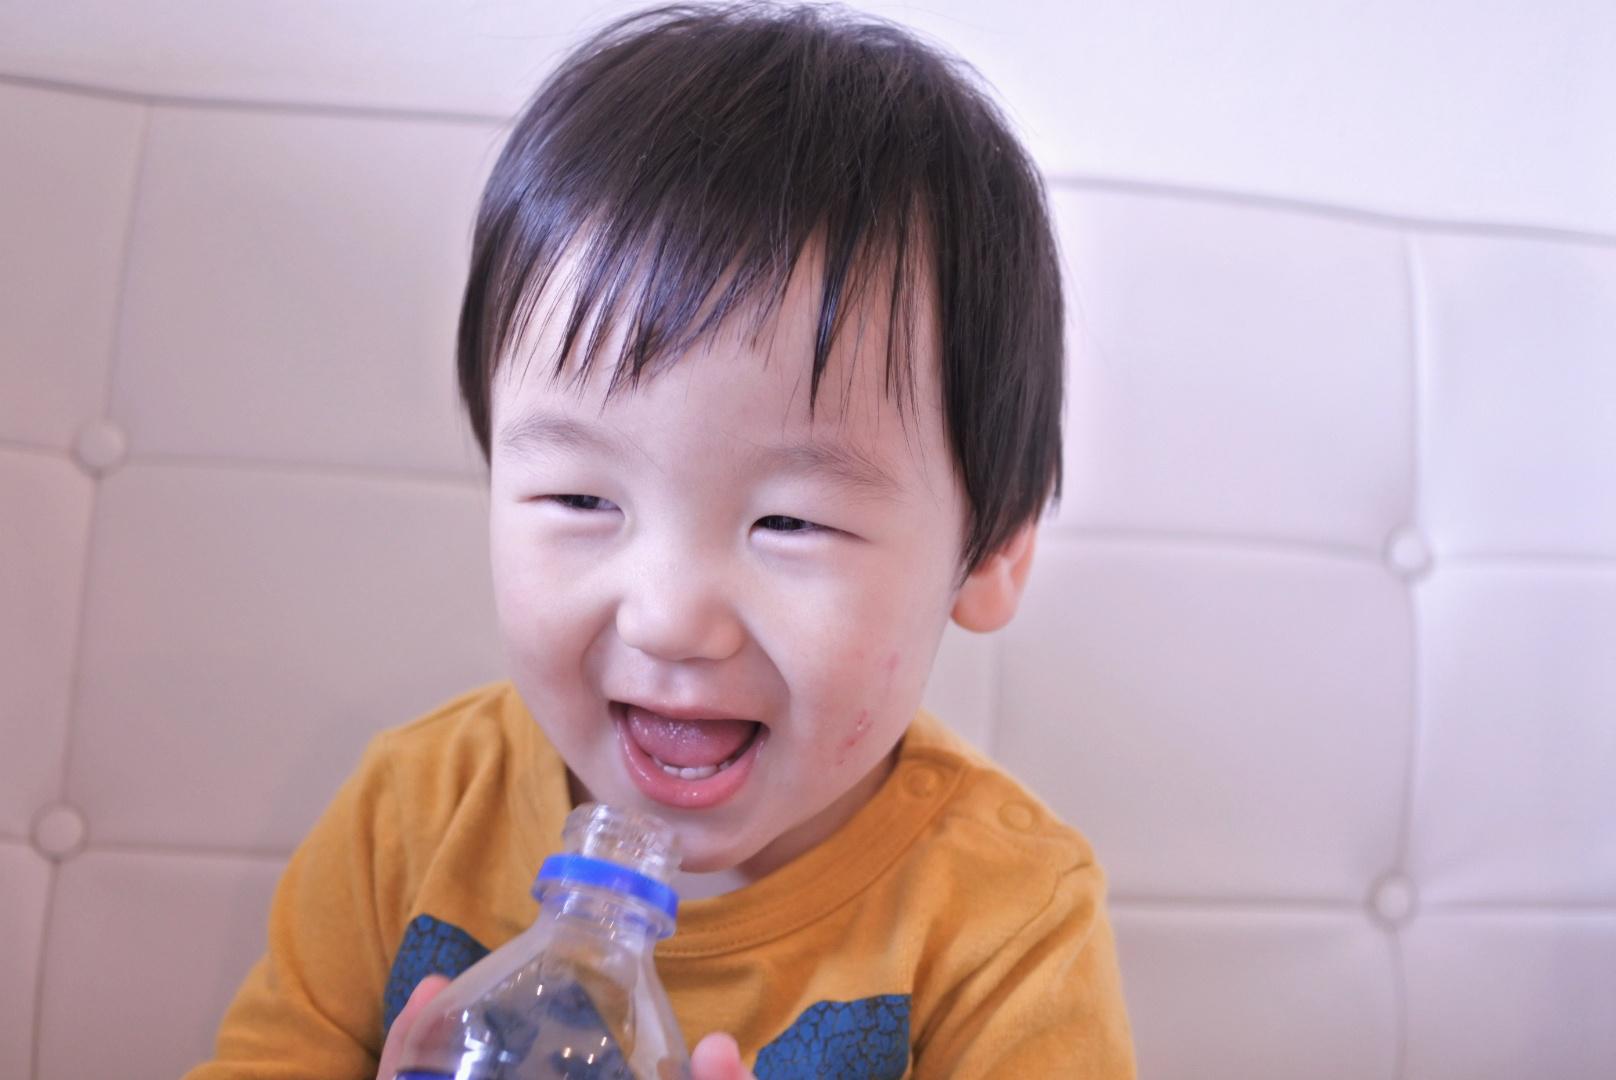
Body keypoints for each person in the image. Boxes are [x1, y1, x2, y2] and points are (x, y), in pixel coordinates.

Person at [187, 3, 1135, 1077]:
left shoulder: (1007, 921)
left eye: (789, 521)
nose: (669, 618)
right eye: (580, 500)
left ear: (992, 549)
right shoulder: (416, 811)